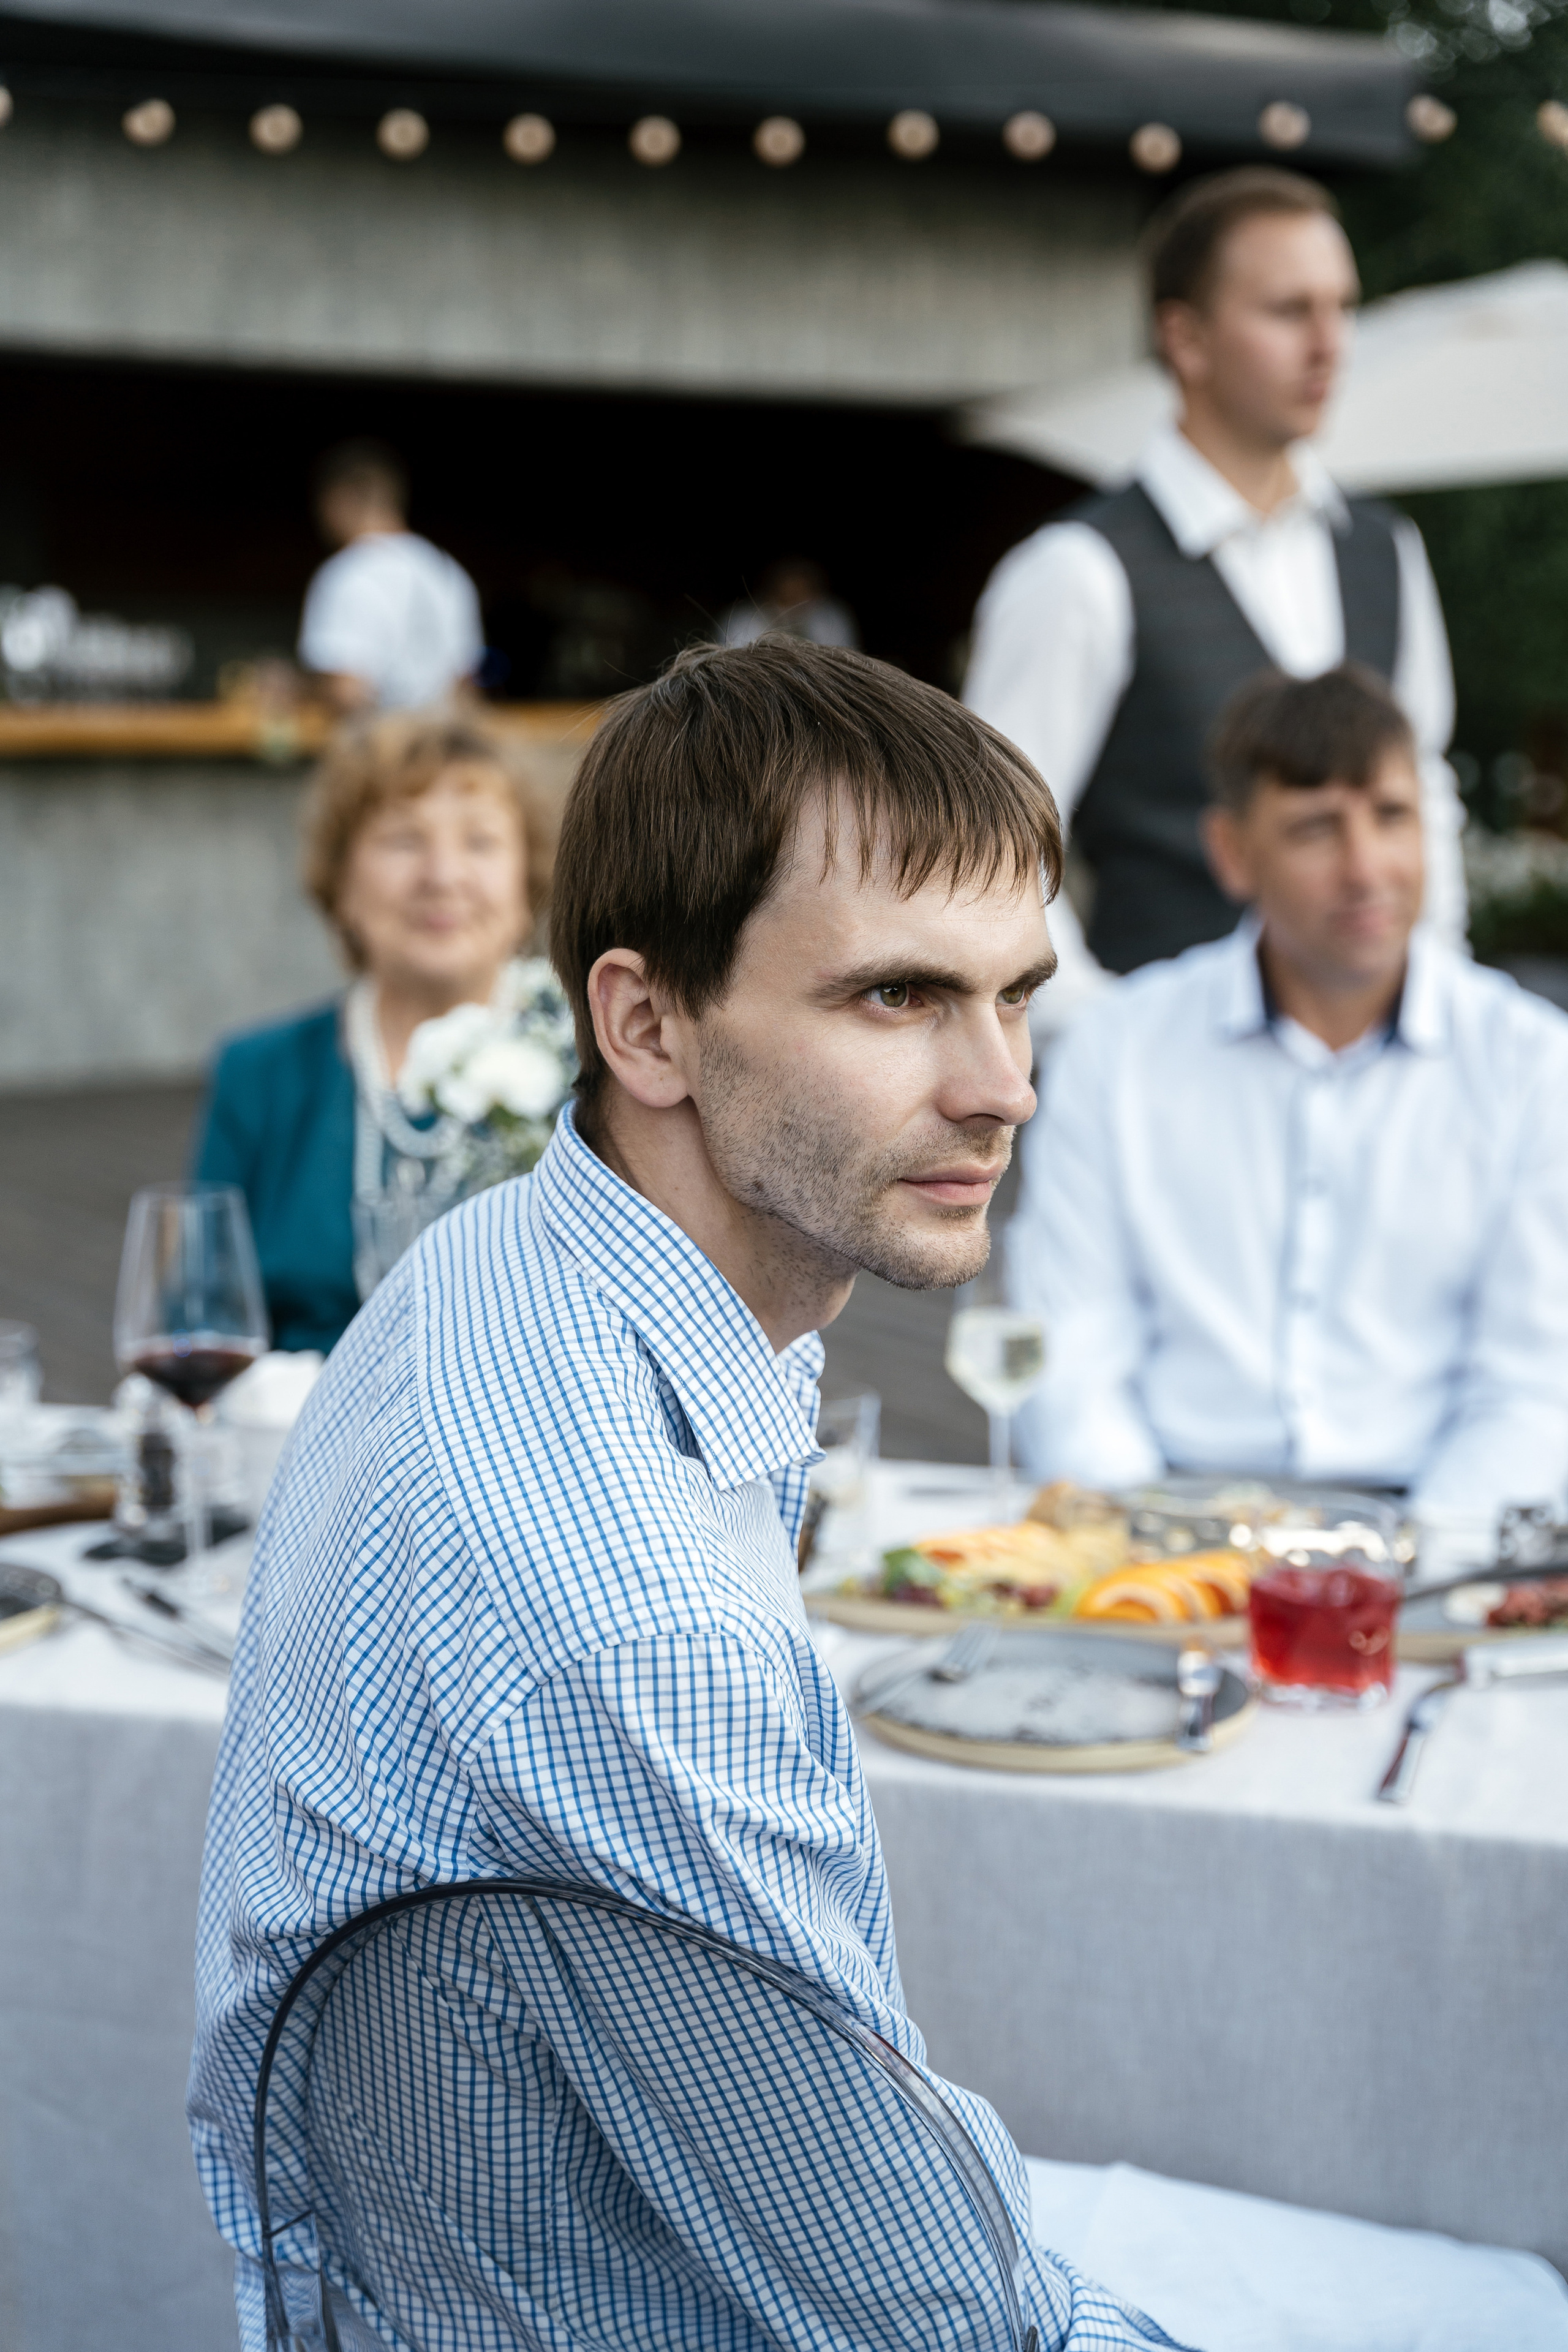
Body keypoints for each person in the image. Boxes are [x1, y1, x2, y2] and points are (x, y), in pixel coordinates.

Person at [187, 639, 1182, 2352]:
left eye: (1016, 993)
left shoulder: (495, 1256)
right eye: (898, 998)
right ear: (647, 1024)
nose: (1004, 1086)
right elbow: (925, 2308)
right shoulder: (627, 1616)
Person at [1006, 664, 1568, 1526]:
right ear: (1232, 852)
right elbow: (1072, 1362)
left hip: (1438, 1540)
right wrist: (1164, 1557)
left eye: (1391, 817)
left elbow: (1535, 1387)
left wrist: (1398, 1571)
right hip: (1164, 1531)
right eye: (1315, 830)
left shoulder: (1532, 1064)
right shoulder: (1117, 1052)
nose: (1366, 868)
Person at [965, 167, 1466, 1027]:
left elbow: (1425, 792)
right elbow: (988, 845)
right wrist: (1104, 1032)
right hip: (1163, 1094)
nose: (1330, 343)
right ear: (1185, 338)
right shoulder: (1079, 570)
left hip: (1376, 1074)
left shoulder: (1386, 549)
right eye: (1288, 311)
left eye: (1342, 308)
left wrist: (1438, 995)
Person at [194, 711, 563, 1354]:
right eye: (402, 840)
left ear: (527, 885)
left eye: (479, 842)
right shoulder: (259, 1075)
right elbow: (196, 1315)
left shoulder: (596, 1076)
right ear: (341, 887)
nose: (442, 875)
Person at [298, 439, 484, 711]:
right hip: (441, 744)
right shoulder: (447, 570)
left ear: (340, 501)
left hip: (380, 747)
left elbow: (346, 692)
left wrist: (300, 690)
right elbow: (465, 687)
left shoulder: (346, 573)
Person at [718, 555, 859, 649]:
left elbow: (844, 655)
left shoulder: (831, 618)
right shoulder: (744, 619)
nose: (795, 595)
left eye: (802, 589)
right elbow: (736, 654)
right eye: (788, 589)